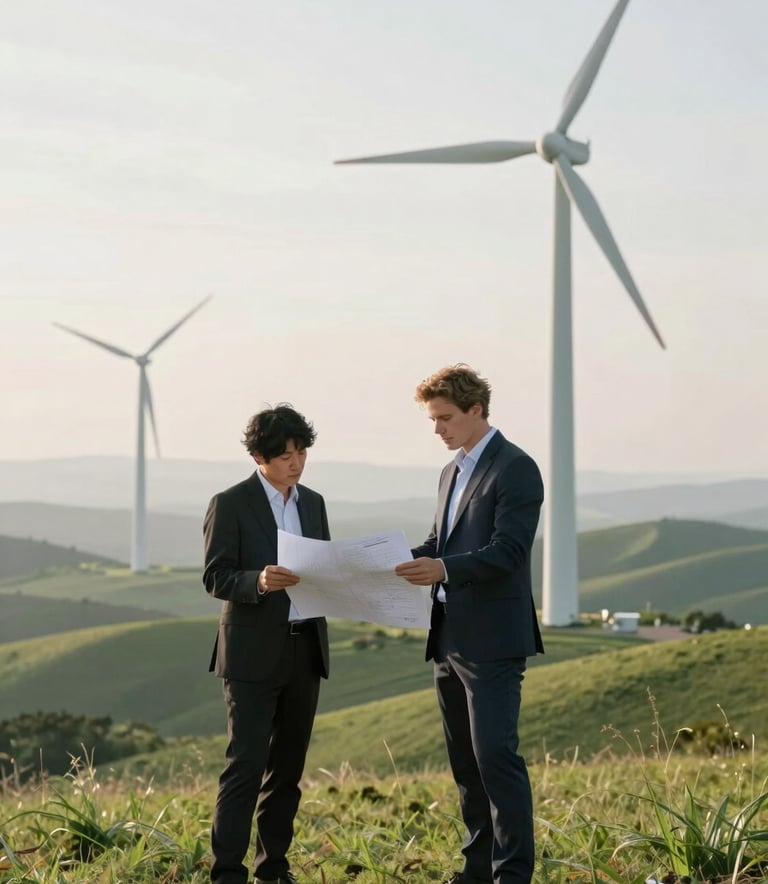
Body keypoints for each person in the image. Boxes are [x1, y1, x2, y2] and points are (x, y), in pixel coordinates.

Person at [395, 364, 544, 884]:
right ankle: (477, 870)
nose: (437, 429)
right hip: (448, 635)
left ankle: (513, 874)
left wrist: (443, 570)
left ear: (476, 409)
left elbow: (509, 551)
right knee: (465, 763)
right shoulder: (451, 471)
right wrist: (386, 560)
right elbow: (440, 543)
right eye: (432, 420)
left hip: (493, 639)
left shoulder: (516, 467)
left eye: (445, 418)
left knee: (496, 758)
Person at [203, 404, 330, 884]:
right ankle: (227, 873)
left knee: (288, 770)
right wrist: (257, 580)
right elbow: (215, 576)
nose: (296, 464)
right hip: (251, 655)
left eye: (302, 453)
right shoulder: (230, 503)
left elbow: (324, 566)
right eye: (284, 456)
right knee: (246, 766)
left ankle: (273, 869)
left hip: (305, 649)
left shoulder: (313, 503)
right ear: (259, 456)